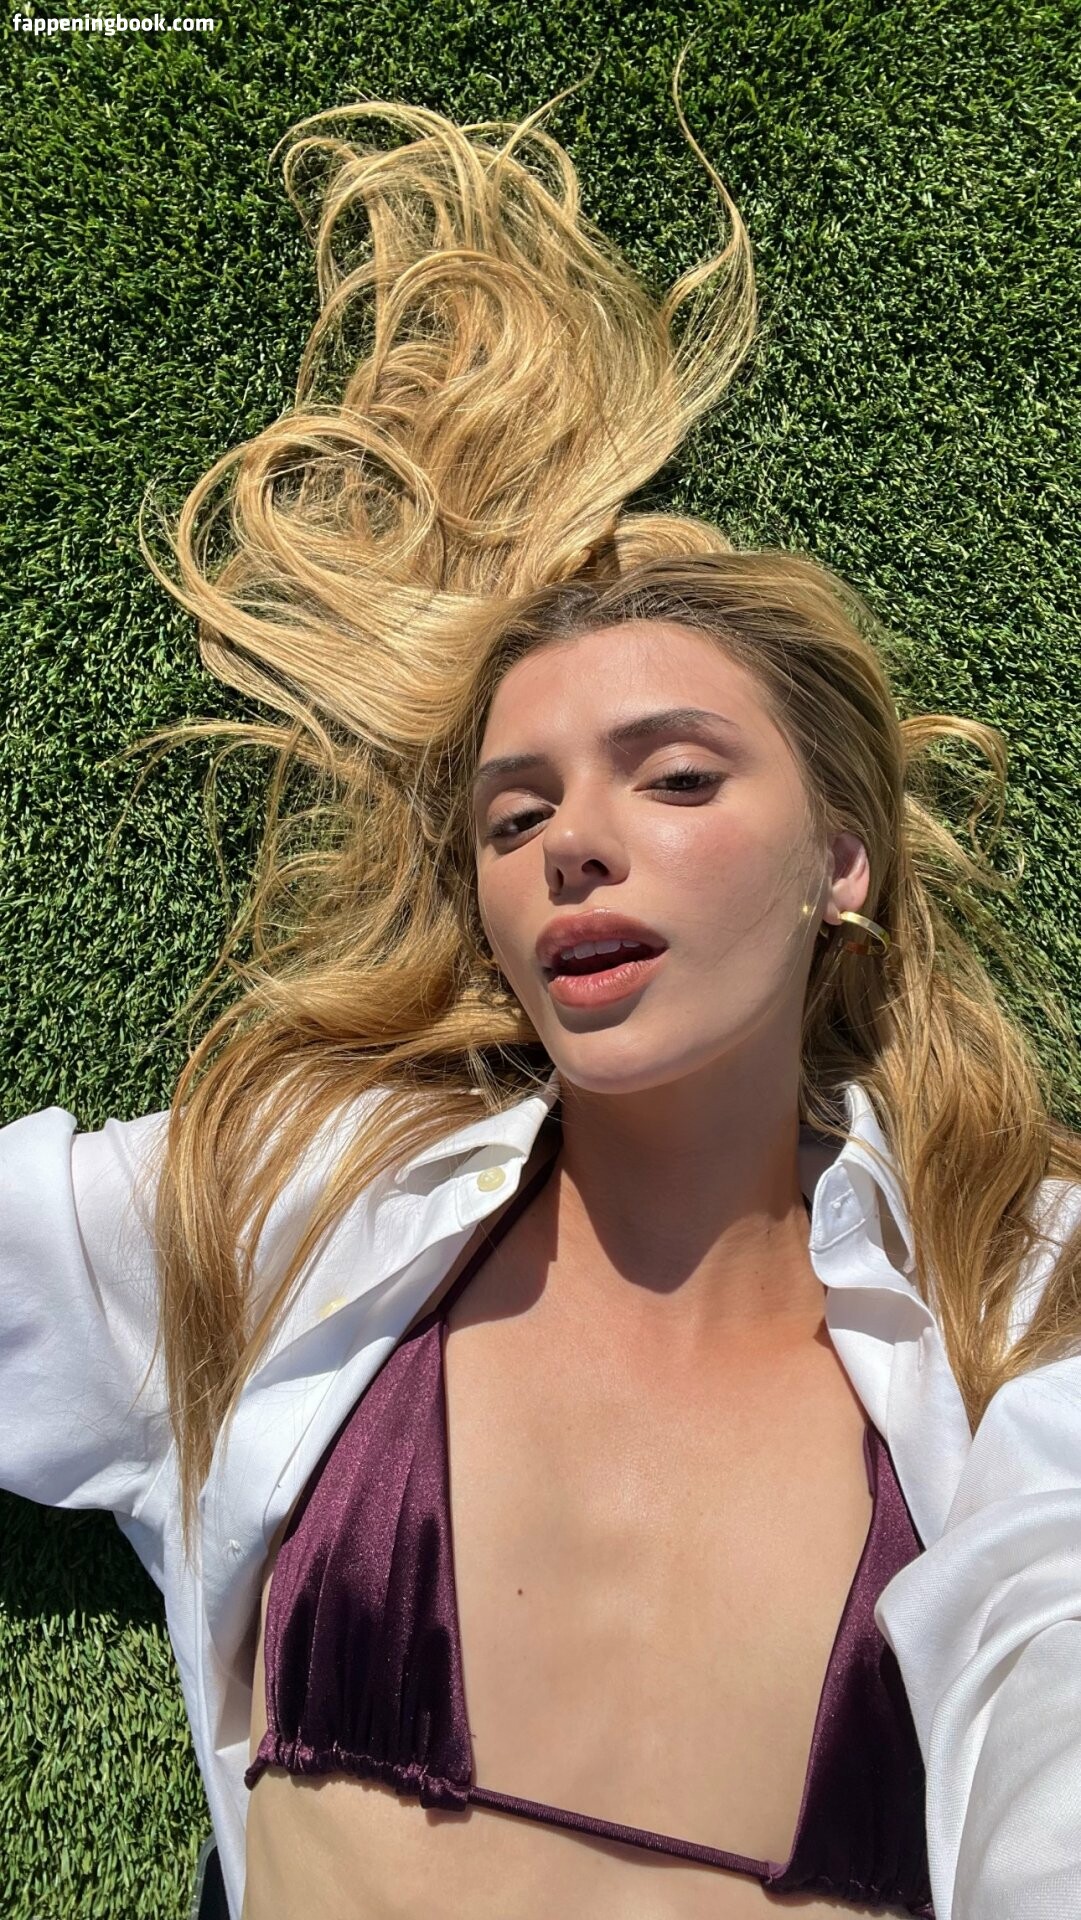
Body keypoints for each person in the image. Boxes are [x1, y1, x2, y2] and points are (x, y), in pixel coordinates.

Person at [2, 63, 1080, 1920]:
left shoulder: (1016, 1305)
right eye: (515, 815)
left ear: (840, 864)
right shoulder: (285, 1199)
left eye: (676, 779)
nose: (575, 843)